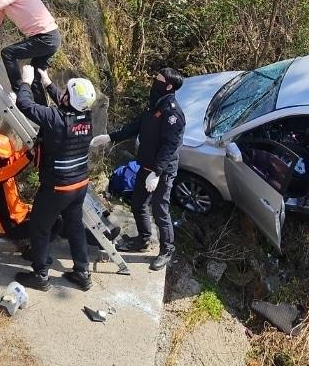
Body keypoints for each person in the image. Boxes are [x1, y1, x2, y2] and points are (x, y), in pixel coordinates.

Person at [12, 64, 99, 291]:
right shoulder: (86, 117)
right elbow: (68, 101)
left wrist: (26, 81)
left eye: (66, 92)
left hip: (57, 188)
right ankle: (82, 272)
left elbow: (25, 104)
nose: (63, 94)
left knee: (40, 228)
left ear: (68, 98)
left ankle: (40, 275)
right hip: (79, 185)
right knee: (75, 227)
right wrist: (48, 82)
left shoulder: (55, 118)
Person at [100, 68, 186, 271]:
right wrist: (111, 137)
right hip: (146, 165)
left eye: (159, 79)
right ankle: (143, 239)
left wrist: (157, 172)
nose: (155, 80)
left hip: (162, 171)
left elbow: (170, 146)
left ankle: (167, 250)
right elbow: (136, 125)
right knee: (138, 203)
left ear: (169, 86)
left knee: (160, 210)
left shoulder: (172, 113)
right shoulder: (154, 104)